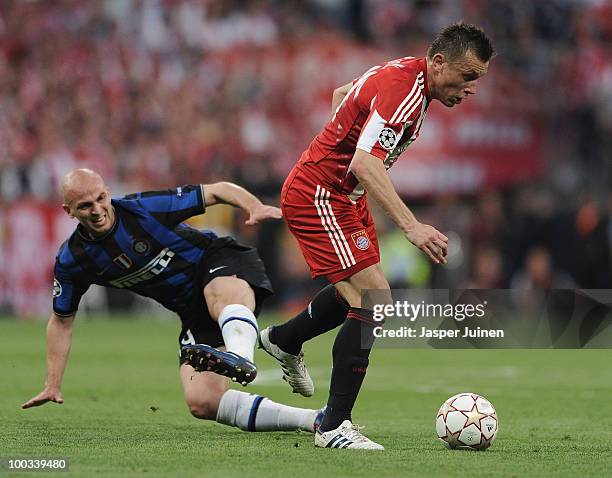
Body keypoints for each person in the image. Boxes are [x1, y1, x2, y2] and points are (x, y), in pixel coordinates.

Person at [259, 22, 494, 449]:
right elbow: (365, 164)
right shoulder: (405, 90)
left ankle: (283, 339)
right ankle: (332, 426)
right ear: (439, 62)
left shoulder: (406, 75)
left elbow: (341, 96)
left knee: (361, 295)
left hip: (343, 196)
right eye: (468, 75)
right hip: (322, 194)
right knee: (374, 300)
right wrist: (412, 225)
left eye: (478, 78)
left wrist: (337, 144)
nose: (472, 87)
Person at [22, 168, 323, 434]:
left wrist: (253, 205)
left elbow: (217, 191)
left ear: (108, 193)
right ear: (69, 211)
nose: (97, 210)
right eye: (85, 206)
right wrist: (52, 383)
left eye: (101, 198)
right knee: (201, 401)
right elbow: (61, 322)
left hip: (218, 260)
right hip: (191, 309)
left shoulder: (143, 209)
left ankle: (241, 356)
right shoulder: (73, 259)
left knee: (218, 296)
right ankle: (314, 420)